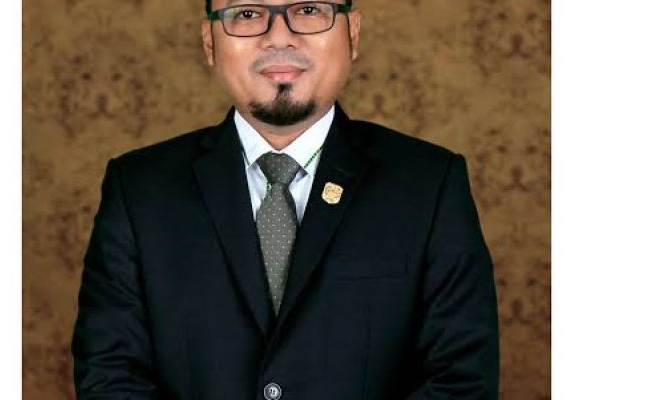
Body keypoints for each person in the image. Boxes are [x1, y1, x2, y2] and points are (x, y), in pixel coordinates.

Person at [71, 0, 499, 399]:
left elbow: (461, 379)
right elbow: (110, 376)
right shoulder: (139, 189)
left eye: (309, 9)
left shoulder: (428, 184)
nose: (278, 36)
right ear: (209, 41)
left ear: (352, 33)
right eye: (247, 14)